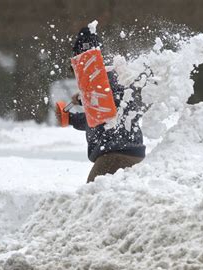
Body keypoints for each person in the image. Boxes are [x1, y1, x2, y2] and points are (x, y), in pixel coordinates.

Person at [57, 27, 146, 183]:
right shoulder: (103, 86)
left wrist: (87, 97)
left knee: (89, 199)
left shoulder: (109, 80)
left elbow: (116, 106)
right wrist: (71, 118)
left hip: (115, 156)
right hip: (129, 154)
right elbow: (101, 120)